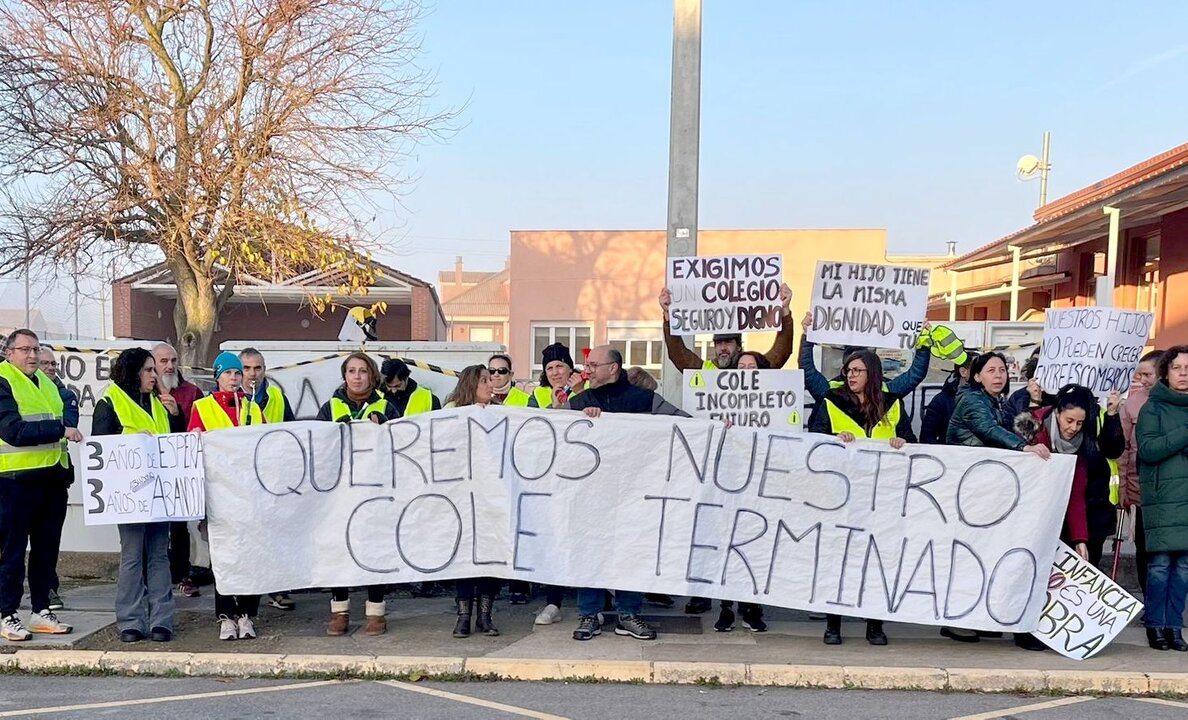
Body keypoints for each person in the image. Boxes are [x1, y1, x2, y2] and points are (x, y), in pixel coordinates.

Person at [568, 345, 688, 642]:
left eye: (594, 364)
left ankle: (628, 613)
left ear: (614, 368)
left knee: (631, 551)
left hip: (634, 494)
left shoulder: (646, 401)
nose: (588, 370)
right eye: (588, 365)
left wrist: (718, 428)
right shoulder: (579, 403)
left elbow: (686, 426)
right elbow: (541, 427)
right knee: (591, 551)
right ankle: (589, 613)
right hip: (591, 495)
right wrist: (578, 419)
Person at [943, 351, 1050, 649]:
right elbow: (989, 431)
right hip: (970, 491)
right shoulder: (972, 401)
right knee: (970, 556)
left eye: (1002, 370)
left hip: (987, 489)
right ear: (977, 376)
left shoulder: (998, 402)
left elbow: (1020, 432)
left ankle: (976, 617)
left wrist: (1034, 403)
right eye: (991, 370)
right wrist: (1022, 448)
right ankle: (956, 621)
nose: (998, 375)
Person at [808, 349, 908, 646]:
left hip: (880, 498)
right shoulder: (831, 402)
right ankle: (833, 624)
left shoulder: (893, 405)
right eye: (848, 370)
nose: (850, 375)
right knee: (838, 561)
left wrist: (901, 441)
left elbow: (912, 443)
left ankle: (874, 625)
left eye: (857, 371)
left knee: (876, 561)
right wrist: (833, 441)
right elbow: (813, 441)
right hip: (841, 497)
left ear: (872, 374)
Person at [93, 347, 187, 643]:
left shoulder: (159, 403)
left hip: (158, 493)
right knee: (132, 556)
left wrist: (175, 415)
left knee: (159, 556)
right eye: (148, 370)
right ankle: (130, 621)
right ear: (133, 372)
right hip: (129, 495)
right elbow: (101, 449)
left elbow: (175, 445)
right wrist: (132, 442)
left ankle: (162, 620)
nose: (154, 375)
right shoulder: (110, 402)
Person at [0, 329, 78, 642]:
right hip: (15, 482)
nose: (32, 355)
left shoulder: (46, 383)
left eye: (35, 350)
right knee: (12, 553)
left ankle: (41, 610)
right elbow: (12, 430)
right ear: (9, 353)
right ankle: (7, 614)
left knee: (46, 552)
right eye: (24, 349)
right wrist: (60, 429)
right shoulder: (4, 380)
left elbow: (67, 412)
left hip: (51, 478)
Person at [316, 352, 399, 637]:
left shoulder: (387, 406)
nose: (357, 376)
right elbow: (318, 445)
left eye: (362, 371)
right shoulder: (330, 407)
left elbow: (401, 446)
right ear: (344, 376)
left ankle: (376, 612)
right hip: (340, 492)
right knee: (341, 551)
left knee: (373, 551)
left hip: (375, 491)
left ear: (372, 376)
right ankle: (340, 611)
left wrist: (383, 429)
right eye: (351, 371)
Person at [188, 351, 264, 641]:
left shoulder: (253, 408)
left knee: (249, 556)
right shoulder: (203, 406)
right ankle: (225, 615)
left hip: (248, 496)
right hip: (219, 495)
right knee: (223, 556)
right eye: (228, 373)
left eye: (237, 373)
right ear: (217, 376)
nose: (234, 378)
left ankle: (246, 613)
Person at [1014, 384, 1124, 568]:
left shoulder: (1082, 446)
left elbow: (1075, 492)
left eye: (1080, 423)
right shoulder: (1036, 434)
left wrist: (1080, 539)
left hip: (1082, 514)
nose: (1074, 428)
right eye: (1069, 420)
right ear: (1057, 413)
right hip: (1036, 519)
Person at [711, 349, 770, 633]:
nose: (746, 370)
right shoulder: (718, 402)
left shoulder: (775, 403)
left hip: (761, 484)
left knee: (755, 547)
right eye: (741, 366)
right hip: (728, 483)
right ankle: (726, 608)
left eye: (752, 366)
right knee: (727, 547)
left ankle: (752, 608)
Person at [1136, 345, 1188, 652]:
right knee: (1159, 566)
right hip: (1162, 498)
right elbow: (1150, 450)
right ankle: (1155, 626)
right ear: (1166, 373)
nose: (1184, 374)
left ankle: (1174, 627)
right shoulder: (1152, 408)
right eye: (1178, 368)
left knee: (1183, 568)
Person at [443, 365, 502, 638]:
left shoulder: (500, 413)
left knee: (491, 555)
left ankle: (485, 616)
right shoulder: (450, 412)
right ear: (470, 383)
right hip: (461, 496)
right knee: (466, 556)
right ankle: (463, 615)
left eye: (491, 380)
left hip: (492, 496)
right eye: (484, 380)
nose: (491, 384)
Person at [239, 348, 297, 612]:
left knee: (275, 536)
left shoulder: (277, 397)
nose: (253, 374)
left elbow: (292, 433)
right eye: (247, 368)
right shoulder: (231, 399)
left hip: (273, 479)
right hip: (240, 481)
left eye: (258, 368)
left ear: (265, 370)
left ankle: (277, 589)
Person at [151, 342, 205, 599]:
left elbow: (198, 429)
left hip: (180, 469)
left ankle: (183, 574)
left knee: (180, 526)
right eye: (163, 361)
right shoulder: (143, 391)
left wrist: (176, 413)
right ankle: (154, 576)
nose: (170, 366)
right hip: (149, 470)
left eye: (173, 360)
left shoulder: (191, 392)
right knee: (151, 527)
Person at [37, 345, 78, 613]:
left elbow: (69, 424)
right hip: (20, 477)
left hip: (55, 475)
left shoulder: (65, 394)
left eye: (53, 364)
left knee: (48, 540)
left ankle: (49, 589)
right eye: (45, 364)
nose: (51, 368)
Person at [1120, 349, 1163, 597]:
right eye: (1139, 375)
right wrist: (1125, 492)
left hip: (1171, 492)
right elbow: (1124, 451)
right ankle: (1150, 601)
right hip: (1140, 491)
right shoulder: (1133, 403)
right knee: (1144, 550)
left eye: (1147, 374)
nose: (1143, 380)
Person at [919, 351, 978, 445]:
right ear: (963, 372)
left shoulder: (992, 398)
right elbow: (927, 438)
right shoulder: (941, 401)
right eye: (978, 368)